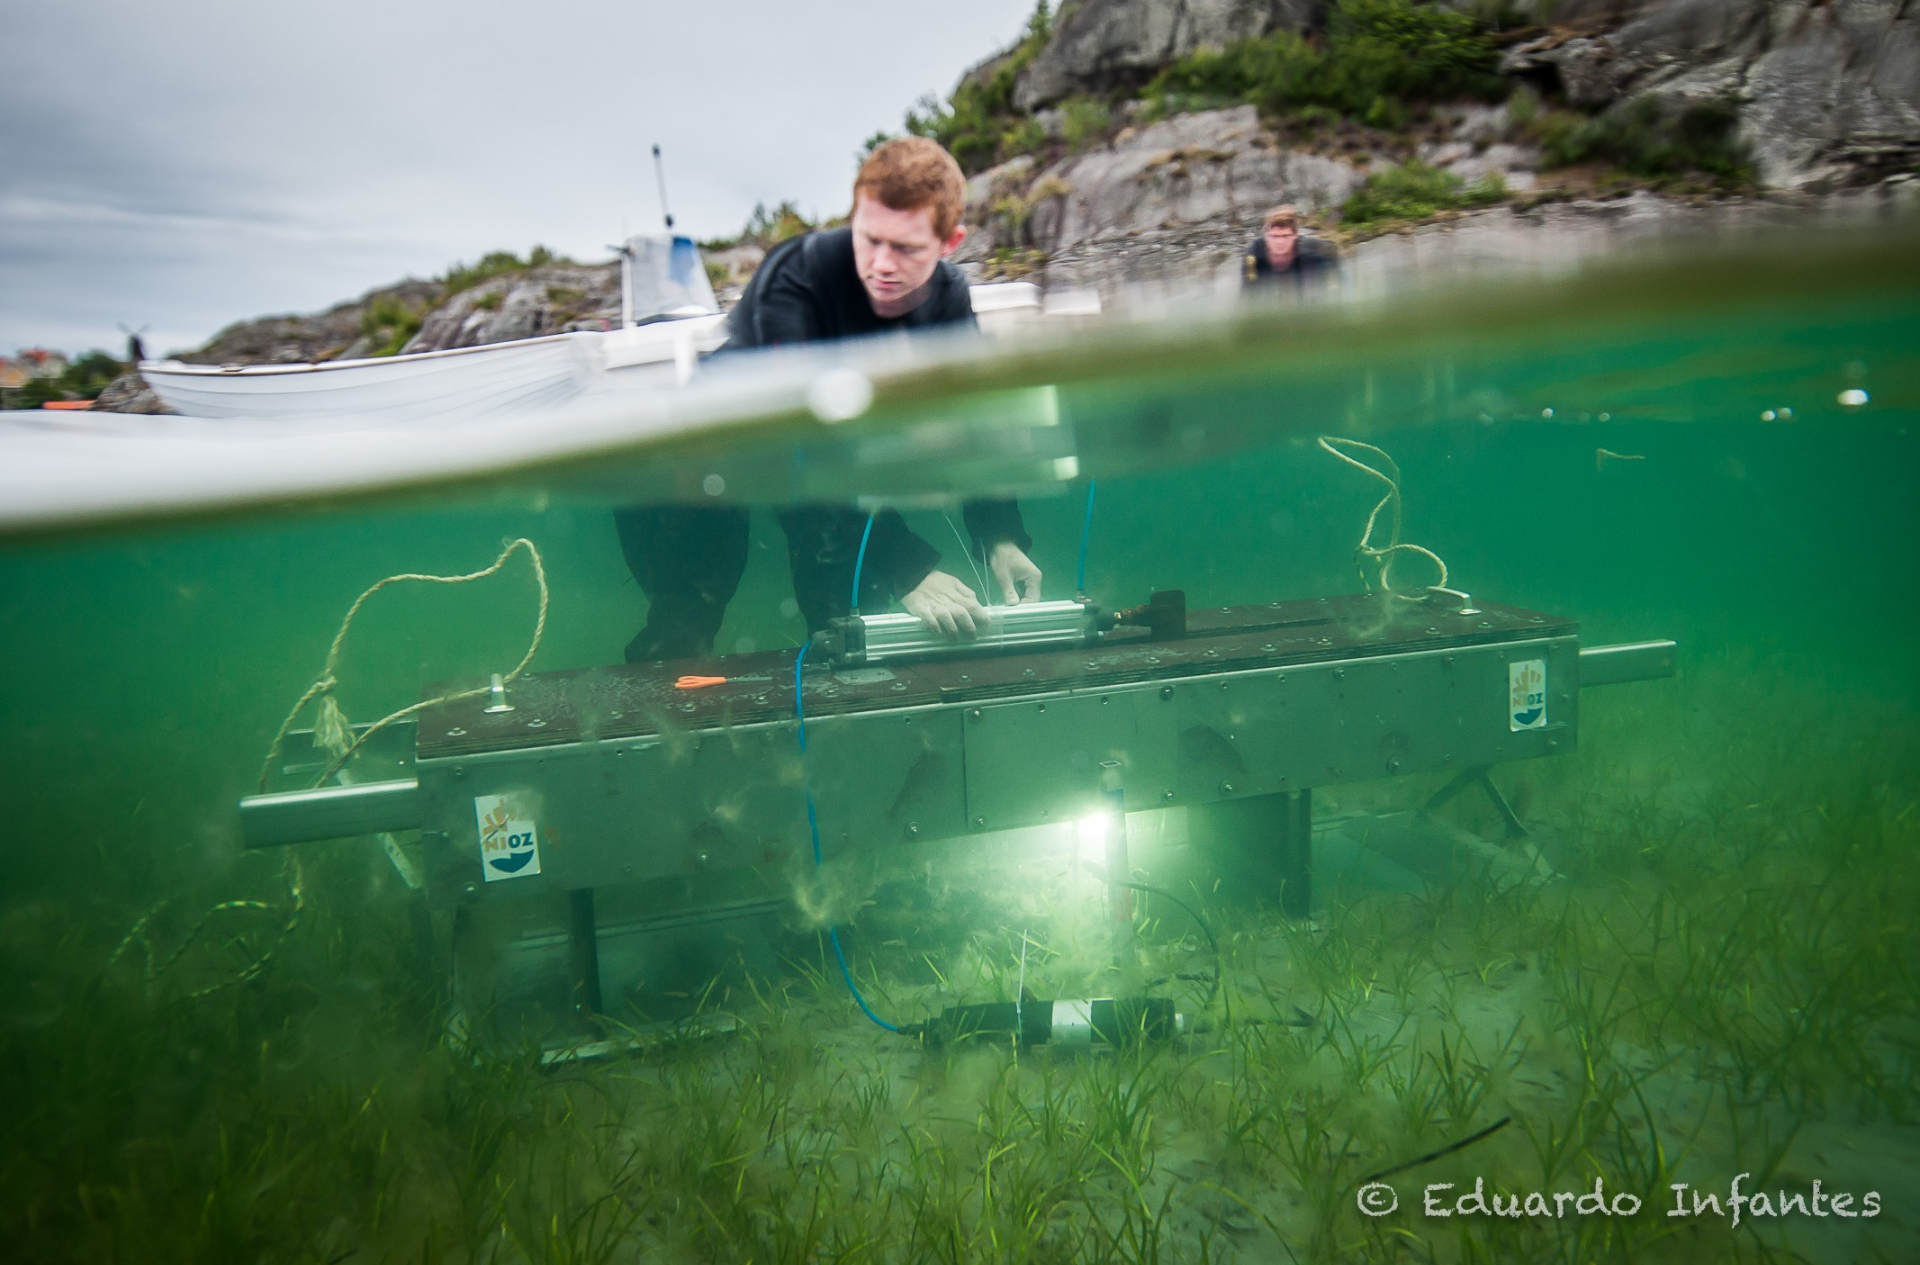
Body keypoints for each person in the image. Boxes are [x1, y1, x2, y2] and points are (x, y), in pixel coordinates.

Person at [615, 137, 1044, 664]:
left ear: (948, 243)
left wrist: (999, 533)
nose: (882, 265)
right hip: (696, 455)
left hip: (812, 465)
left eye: (907, 248)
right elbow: (793, 448)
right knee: (689, 613)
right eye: (870, 240)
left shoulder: (949, 298)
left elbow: (971, 419)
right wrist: (906, 564)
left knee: (853, 619)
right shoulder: (797, 279)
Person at [1241, 204, 1337, 291]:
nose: (1280, 242)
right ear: (1266, 236)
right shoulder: (1254, 255)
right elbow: (1247, 295)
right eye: (1274, 236)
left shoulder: (1313, 251)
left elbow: (1334, 288)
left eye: (1285, 236)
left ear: (1295, 236)